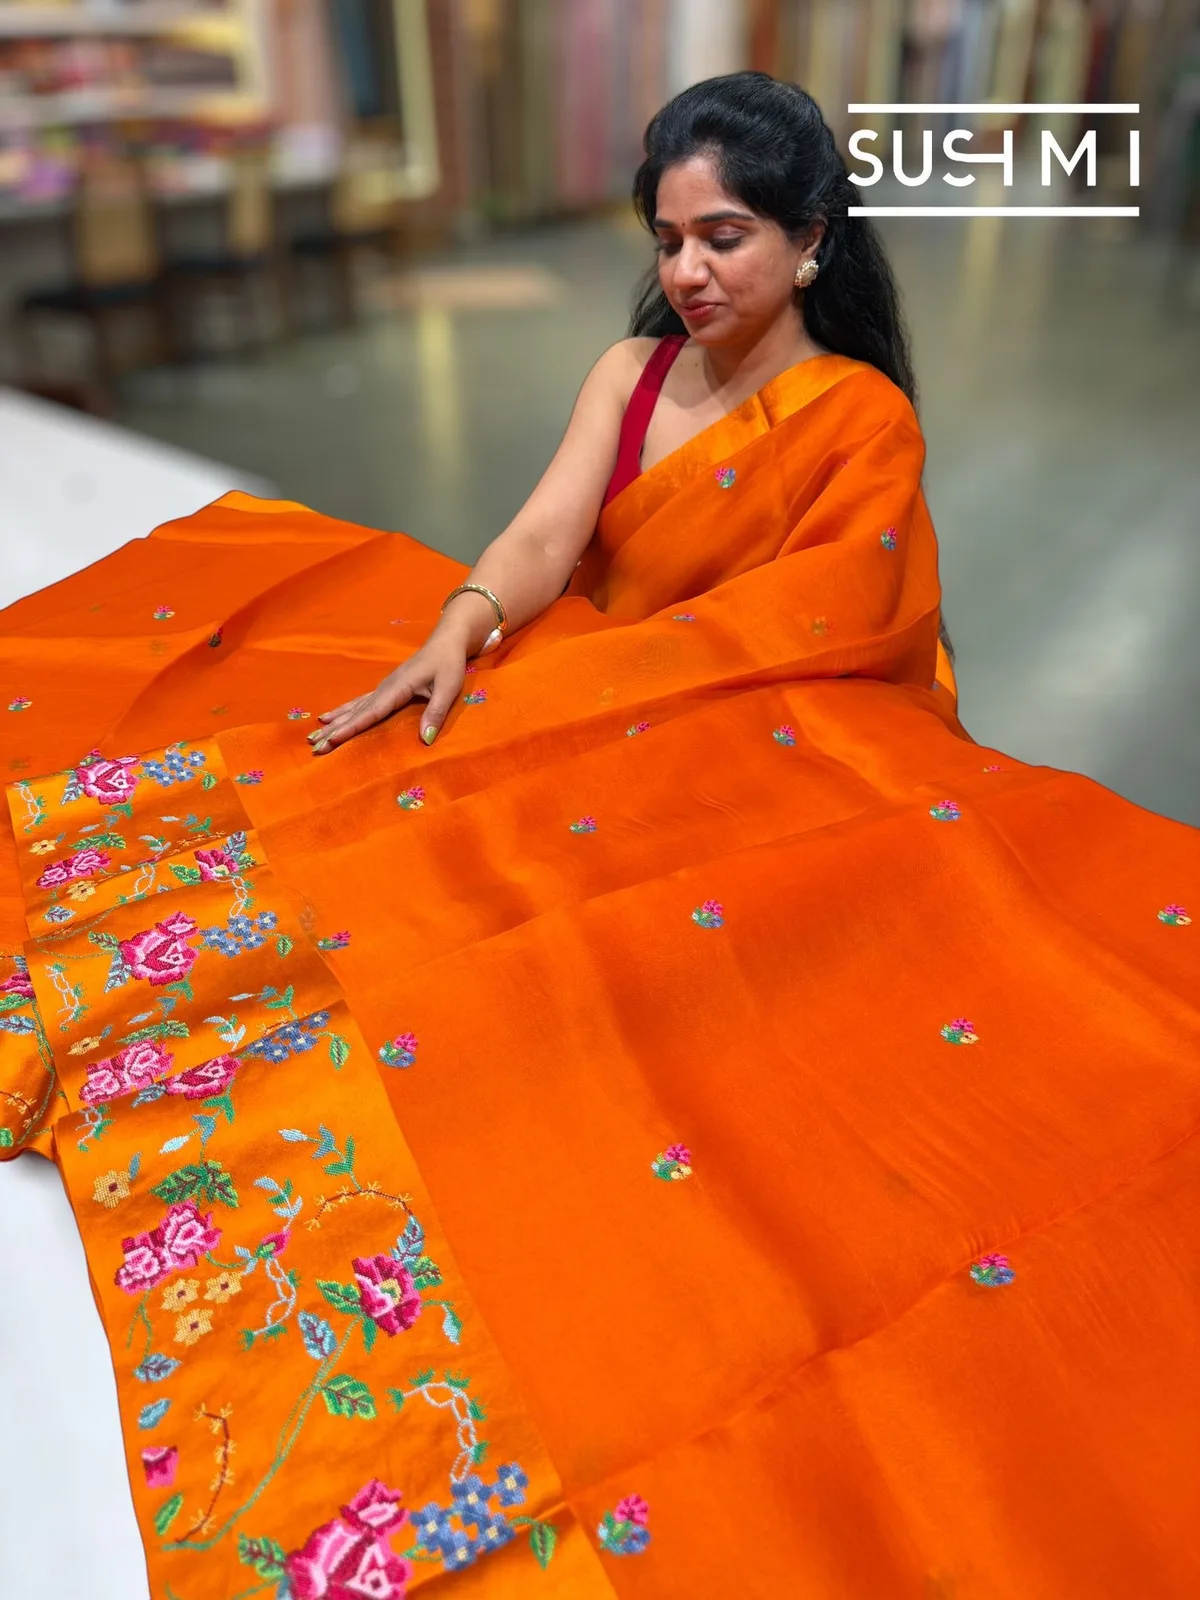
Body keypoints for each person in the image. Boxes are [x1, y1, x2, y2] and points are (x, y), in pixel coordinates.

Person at [1, 73, 1196, 1600]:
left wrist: (619, 688)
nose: (691, 270)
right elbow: (548, 534)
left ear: (815, 241)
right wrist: (465, 623)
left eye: (730, 236)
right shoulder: (635, 368)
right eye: (672, 236)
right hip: (603, 698)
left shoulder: (859, 419)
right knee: (372, 814)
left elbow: (822, 625)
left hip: (753, 724)